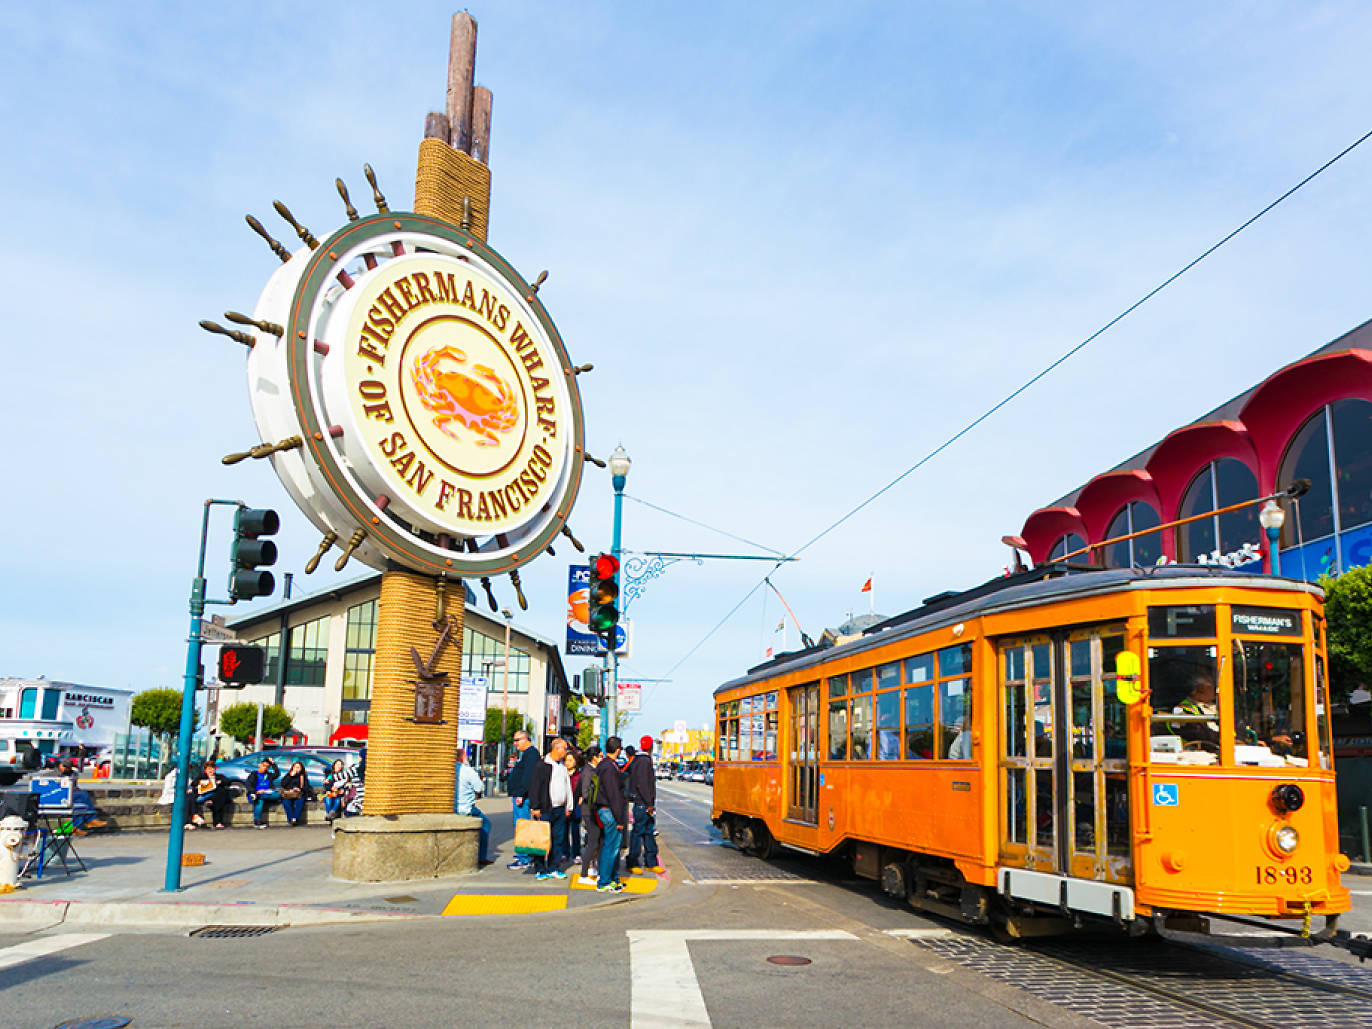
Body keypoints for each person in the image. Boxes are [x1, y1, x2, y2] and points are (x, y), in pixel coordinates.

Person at [528, 737, 572, 880]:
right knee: (541, 839)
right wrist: (535, 806)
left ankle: (554, 867)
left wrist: (568, 806)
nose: (566, 752)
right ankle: (540, 869)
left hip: (560, 808)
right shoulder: (542, 765)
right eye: (565, 749)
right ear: (557, 748)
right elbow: (535, 786)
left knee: (557, 839)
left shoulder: (562, 766)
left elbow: (567, 787)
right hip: (545, 808)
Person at [594, 736, 629, 892]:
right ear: (618, 749)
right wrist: (620, 818)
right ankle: (605, 881)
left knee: (612, 846)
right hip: (610, 810)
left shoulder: (604, 765)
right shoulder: (609, 768)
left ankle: (612, 878)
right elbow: (613, 794)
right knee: (611, 847)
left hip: (606, 809)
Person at [625, 735, 663, 874]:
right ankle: (633, 862)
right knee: (639, 833)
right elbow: (643, 784)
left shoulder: (638, 760)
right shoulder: (644, 761)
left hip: (643, 803)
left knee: (648, 833)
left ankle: (650, 862)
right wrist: (649, 803)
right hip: (642, 804)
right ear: (651, 747)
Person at [505, 730, 540, 869]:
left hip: (523, 797)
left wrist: (521, 793)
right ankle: (524, 854)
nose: (515, 744)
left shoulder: (531, 754)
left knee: (521, 826)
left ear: (525, 739)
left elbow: (528, 776)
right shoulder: (527, 754)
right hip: (522, 795)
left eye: (517, 740)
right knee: (522, 825)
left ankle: (523, 858)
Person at [454, 747, 491, 865]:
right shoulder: (467, 771)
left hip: (452, 807)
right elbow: (479, 788)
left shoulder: (449, 770)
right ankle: (481, 856)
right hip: (466, 807)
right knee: (485, 824)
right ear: (463, 757)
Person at [1171, 673, 1220, 747]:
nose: (1216, 691)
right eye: (1212, 687)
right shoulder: (1180, 710)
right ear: (1201, 689)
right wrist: (1226, 738)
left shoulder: (1218, 706)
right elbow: (1201, 734)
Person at [578, 745, 603, 885]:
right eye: (600, 756)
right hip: (589, 811)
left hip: (591, 810)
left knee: (597, 841)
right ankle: (584, 874)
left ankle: (594, 868)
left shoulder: (592, 770)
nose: (601, 758)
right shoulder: (589, 772)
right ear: (594, 757)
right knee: (593, 841)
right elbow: (586, 793)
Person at [191, 760, 232, 829]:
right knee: (218, 798)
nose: (210, 771)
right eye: (208, 769)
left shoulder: (218, 776)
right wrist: (202, 782)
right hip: (204, 796)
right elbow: (193, 784)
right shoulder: (202, 776)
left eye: (212, 768)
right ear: (205, 770)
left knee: (221, 793)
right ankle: (217, 822)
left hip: (216, 796)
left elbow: (227, 781)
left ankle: (217, 822)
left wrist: (219, 782)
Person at [279, 760, 316, 826]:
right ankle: (290, 818)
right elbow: (283, 784)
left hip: (299, 794)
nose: (296, 769)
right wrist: (290, 776)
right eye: (295, 767)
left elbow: (306, 786)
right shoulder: (288, 775)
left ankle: (295, 819)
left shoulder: (302, 776)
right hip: (289, 794)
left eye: (298, 767)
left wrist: (299, 789)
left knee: (299, 802)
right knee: (286, 802)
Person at [247, 757, 280, 828]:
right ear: (260, 765)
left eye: (267, 767)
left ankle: (258, 796)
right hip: (254, 794)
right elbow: (248, 785)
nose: (265, 768)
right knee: (259, 801)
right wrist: (256, 791)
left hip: (267, 793)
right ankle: (257, 821)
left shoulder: (269, 775)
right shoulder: (254, 774)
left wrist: (273, 763)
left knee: (278, 794)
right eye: (263, 766)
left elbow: (277, 774)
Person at [564, 748, 584, 865]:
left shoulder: (579, 775)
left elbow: (582, 789)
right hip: (564, 805)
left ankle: (576, 853)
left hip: (576, 805)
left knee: (575, 830)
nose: (568, 762)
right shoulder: (561, 773)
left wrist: (581, 798)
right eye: (566, 760)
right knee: (563, 830)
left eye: (570, 760)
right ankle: (564, 853)